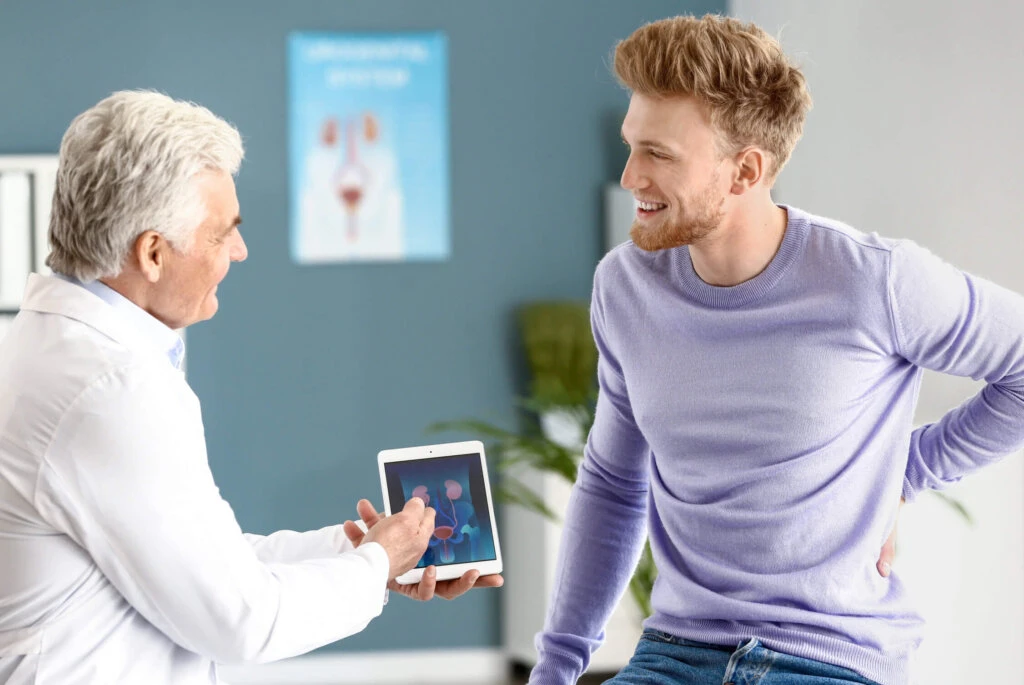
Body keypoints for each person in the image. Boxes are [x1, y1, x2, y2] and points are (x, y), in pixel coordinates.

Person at [530, 15, 1024, 685]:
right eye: (631, 146)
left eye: (658, 155)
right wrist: (555, 670)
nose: (630, 175)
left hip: (830, 658)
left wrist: (906, 473)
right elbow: (614, 484)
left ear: (745, 171)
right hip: (675, 651)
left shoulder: (874, 281)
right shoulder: (625, 287)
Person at [0, 90, 499, 685]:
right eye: (222, 234)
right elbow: (240, 620)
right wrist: (376, 564)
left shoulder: (58, 351)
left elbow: (205, 564)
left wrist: (363, 550)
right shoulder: (112, 391)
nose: (240, 251)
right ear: (153, 253)